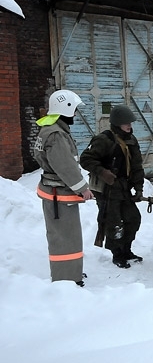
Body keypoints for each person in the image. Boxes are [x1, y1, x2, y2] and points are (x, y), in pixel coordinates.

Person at [33, 89, 94, 286]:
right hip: (59, 197)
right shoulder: (57, 135)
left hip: (57, 194)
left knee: (65, 236)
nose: (75, 114)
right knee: (66, 239)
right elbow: (65, 166)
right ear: (65, 108)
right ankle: (67, 279)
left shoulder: (48, 130)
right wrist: (83, 188)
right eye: (74, 110)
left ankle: (70, 274)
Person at [80, 105, 145, 269]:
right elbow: (86, 159)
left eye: (130, 122)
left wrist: (138, 188)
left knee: (133, 219)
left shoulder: (131, 139)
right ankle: (117, 254)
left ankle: (126, 250)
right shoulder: (104, 140)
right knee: (113, 222)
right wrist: (103, 172)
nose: (129, 126)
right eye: (126, 123)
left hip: (123, 187)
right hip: (107, 189)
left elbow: (137, 166)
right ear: (117, 124)